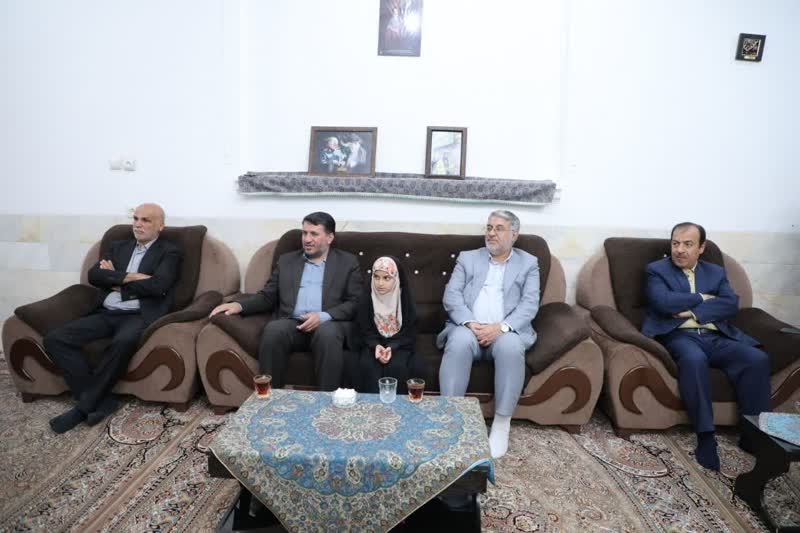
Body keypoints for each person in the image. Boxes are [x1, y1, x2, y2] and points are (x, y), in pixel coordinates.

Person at [641, 222, 771, 471]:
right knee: (694, 359)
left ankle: (753, 435)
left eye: (687, 244)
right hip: (679, 335)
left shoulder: (715, 272)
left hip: (715, 337)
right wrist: (703, 298)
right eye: (675, 243)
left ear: (701, 248)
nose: (680, 249)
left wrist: (691, 311)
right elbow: (663, 302)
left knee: (756, 359)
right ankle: (705, 436)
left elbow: (730, 304)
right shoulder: (656, 270)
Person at [43, 203, 182, 433]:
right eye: (135, 218)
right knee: (55, 339)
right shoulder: (118, 246)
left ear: (160, 226)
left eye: (146, 220)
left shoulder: (169, 251)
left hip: (137, 315)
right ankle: (101, 401)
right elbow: (95, 275)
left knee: (123, 341)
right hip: (106, 312)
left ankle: (82, 408)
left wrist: (115, 280)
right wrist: (133, 277)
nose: (138, 224)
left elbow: (159, 286)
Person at [210, 212, 361, 391]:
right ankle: (270, 396)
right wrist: (239, 305)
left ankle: (327, 399)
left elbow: (355, 302)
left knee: (328, 334)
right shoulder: (287, 261)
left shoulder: (347, 262)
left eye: (314, 234)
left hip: (328, 324)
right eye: (304, 233)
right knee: (274, 330)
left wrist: (323, 316)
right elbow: (267, 296)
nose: (307, 239)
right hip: (293, 324)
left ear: (329, 237)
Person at [437, 210, 540, 458]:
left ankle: (501, 424)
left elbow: (529, 304)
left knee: (511, 346)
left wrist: (501, 328)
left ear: (514, 235)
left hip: (504, 332)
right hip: (469, 329)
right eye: (489, 227)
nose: (491, 233)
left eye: (499, 228)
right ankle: (450, 418)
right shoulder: (468, 258)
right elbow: (452, 296)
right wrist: (471, 323)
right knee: (459, 340)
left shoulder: (528, 263)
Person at [349, 256, 426, 394]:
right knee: (368, 366)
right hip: (372, 345)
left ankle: (398, 406)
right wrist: (375, 345)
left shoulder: (404, 299)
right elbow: (363, 330)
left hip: (400, 345)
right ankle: (370, 405)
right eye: (376, 277)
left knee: (397, 367)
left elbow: (410, 332)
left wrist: (392, 346)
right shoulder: (366, 298)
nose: (380, 283)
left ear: (396, 279)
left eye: (386, 278)